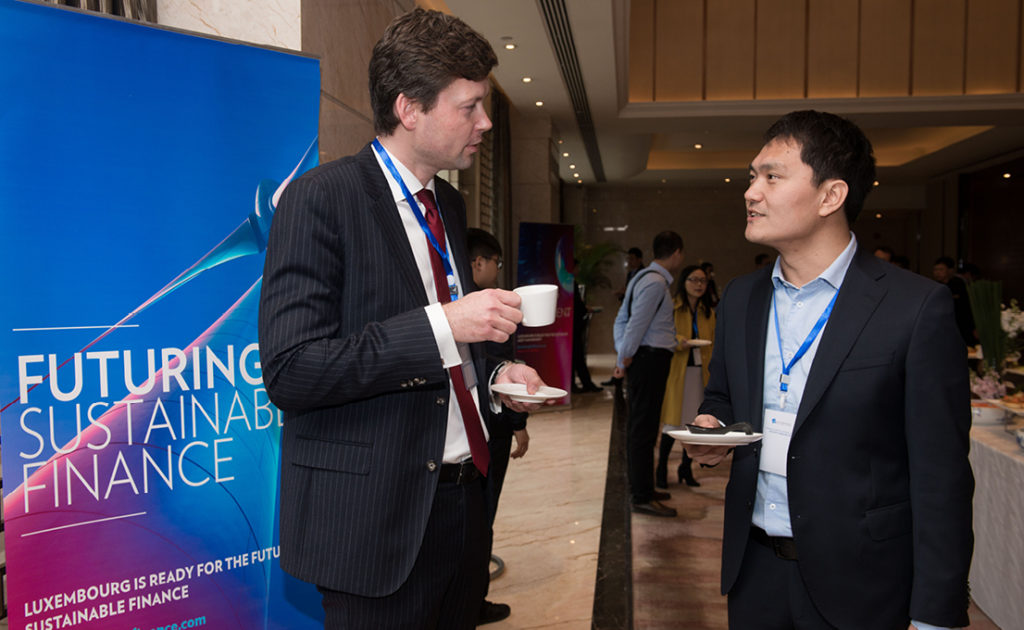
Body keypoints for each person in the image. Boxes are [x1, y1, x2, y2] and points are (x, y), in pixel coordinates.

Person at [258, 10, 552, 629]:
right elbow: (292, 370)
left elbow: (454, 342)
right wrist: (444, 324)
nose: (485, 122)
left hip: (463, 502)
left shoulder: (448, 202)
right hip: (373, 523)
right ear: (409, 108)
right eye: (469, 106)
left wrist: (496, 375)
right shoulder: (321, 199)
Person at [688, 110, 973, 630]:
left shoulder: (914, 308)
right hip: (753, 572)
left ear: (830, 196)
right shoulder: (742, 297)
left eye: (772, 176)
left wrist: (936, 613)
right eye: (752, 176)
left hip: (863, 582)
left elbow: (942, 476)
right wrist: (714, 426)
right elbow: (723, 395)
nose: (751, 192)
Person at [466, 227, 528, 624]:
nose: (498, 271)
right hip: (492, 428)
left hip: (466, 430)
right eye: (496, 263)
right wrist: (519, 422)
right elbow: (501, 371)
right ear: (478, 263)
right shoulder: (487, 310)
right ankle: (473, 603)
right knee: (482, 515)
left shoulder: (451, 301)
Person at [612, 231, 686, 517]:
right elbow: (635, 325)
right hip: (649, 361)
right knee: (642, 429)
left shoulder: (641, 278)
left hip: (646, 359)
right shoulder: (655, 283)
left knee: (644, 427)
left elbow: (621, 320)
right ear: (676, 253)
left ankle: (643, 487)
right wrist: (624, 357)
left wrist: (623, 353)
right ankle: (641, 495)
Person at [656, 264, 715, 489]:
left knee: (694, 424)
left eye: (703, 281)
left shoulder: (708, 311)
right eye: (694, 280)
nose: (699, 285)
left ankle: (685, 467)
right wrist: (681, 340)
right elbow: (664, 334)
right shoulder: (672, 307)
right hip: (678, 371)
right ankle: (661, 468)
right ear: (684, 282)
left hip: (701, 374)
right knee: (672, 423)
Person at [933, 255, 977, 346]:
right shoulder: (934, 286)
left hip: (961, 325)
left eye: (941, 269)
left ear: (950, 270)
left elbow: (967, 307)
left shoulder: (958, 284)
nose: (937, 273)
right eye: (935, 270)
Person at [572, 278, 602, 393]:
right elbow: (577, 305)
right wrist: (585, 309)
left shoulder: (569, 282)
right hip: (573, 326)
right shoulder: (570, 282)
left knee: (577, 356)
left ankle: (583, 383)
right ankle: (583, 384)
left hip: (572, 326)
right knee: (577, 356)